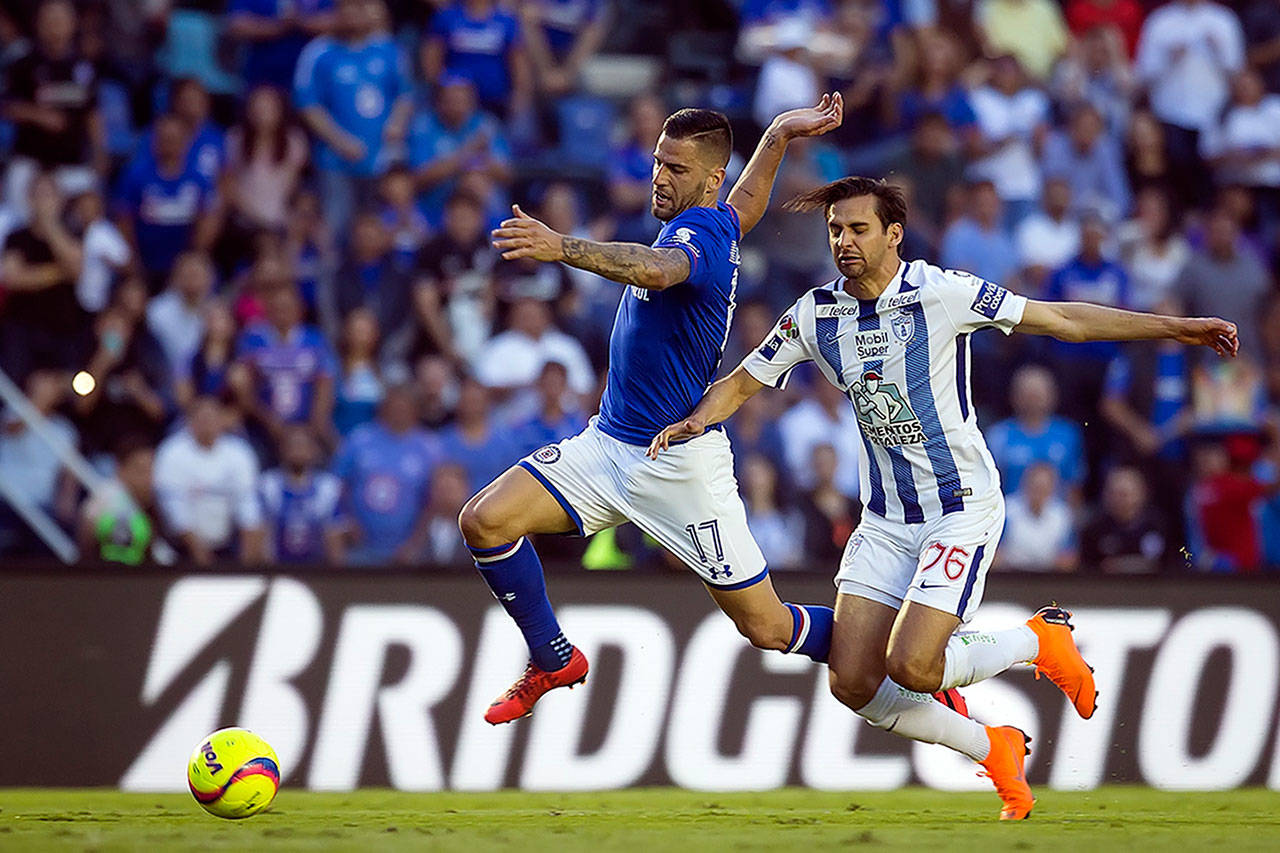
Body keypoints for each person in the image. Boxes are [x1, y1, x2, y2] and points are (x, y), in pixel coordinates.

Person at [648, 175, 1238, 820]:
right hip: (885, 520)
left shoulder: (941, 293)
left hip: (959, 510)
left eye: (858, 228)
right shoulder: (816, 315)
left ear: (893, 234)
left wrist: (1175, 328)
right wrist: (693, 422)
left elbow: (1061, 317)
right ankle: (992, 746)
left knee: (915, 668)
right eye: (835, 230)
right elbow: (742, 382)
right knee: (851, 681)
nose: (844, 241)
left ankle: (1039, 641)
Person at [459, 96, 846, 726]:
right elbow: (747, 204)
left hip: (677, 465)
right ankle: (553, 657)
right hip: (607, 445)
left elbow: (659, 270)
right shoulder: (720, 219)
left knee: (769, 627)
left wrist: (564, 247)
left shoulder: (694, 243)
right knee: (484, 522)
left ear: (708, 178)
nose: (659, 178)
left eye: (676, 169)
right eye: (658, 163)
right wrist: (776, 132)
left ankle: (911, 664)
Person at [293, 0, 413, 235]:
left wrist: (396, 124)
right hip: (335, 161)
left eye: (359, 7)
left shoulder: (389, 49)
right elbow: (308, 104)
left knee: (381, 228)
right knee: (337, 226)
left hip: (381, 160)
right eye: (346, 8)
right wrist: (340, 142)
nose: (352, 14)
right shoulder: (319, 52)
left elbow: (405, 95)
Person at [331, 383, 438, 566]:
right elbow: (337, 485)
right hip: (360, 545)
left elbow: (434, 501)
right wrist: (348, 521)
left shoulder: (429, 448)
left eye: (404, 407)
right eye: (394, 407)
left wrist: (415, 543)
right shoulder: (359, 439)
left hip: (408, 551)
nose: (399, 412)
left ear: (415, 410)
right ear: (383, 408)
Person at [153, 394, 266, 566]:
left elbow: (247, 504)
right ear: (189, 421)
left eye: (212, 418)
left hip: (226, 546)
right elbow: (174, 508)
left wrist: (247, 563)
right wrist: (203, 561)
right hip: (180, 548)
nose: (207, 424)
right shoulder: (171, 452)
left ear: (222, 420)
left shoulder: (239, 453)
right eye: (201, 418)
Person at [258, 424, 344, 565]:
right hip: (276, 569)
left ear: (314, 451)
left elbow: (334, 539)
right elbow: (258, 536)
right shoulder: (267, 485)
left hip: (318, 570)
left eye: (303, 446)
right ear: (282, 450)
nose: (298, 451)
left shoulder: (328, 487)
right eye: (293, 446)